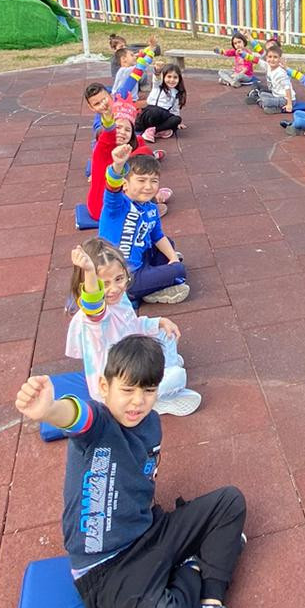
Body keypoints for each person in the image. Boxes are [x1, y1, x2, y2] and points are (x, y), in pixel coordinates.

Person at [15, 337, 248, 608]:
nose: (138, 402)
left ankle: (210, 605)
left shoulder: (150, 423)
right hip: (106, 570)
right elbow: (76, 416)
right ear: (104, 387)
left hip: (150, 533)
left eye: (148, 391)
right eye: (127, 390)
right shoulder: (98, 425)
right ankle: (194, 565)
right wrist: (50, 410)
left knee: (231, 502)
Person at [67, 238, 200, 415]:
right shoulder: (95, 318)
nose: (114, 288)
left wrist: (159, 321)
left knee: (165, 333)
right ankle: (152, 400)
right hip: (115, 387)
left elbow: (131, 325)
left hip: (132, 359)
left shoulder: (119, 298)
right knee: (177, 376)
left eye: (119, 278)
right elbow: (93, 304)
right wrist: (90, 271)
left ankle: (160, 377)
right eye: (104, 284)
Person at [100, 143, 190, 304]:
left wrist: (172, 258)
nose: (148, 187)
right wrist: (118, 165)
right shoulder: (117, 206)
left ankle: (154, 281)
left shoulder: (151, 209)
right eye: (141, 180)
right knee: (179, 271)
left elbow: (158, 236)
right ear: (125, 184)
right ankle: (149, 290)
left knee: (168, 244)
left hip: (141, 262)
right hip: (122, 278)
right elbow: (111, 189)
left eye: (154, 181)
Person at [80, 95, 168, 223]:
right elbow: (108, 136)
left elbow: (140, 144)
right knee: (140, 178)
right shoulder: (102, 149)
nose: (122, 132)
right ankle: (150, 205)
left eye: (127, 130)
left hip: (111, 203)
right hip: (103, 208)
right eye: (118, 127)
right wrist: (108, 118)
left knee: (142, 171)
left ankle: (153, 198)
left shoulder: (128, 148)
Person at [135, 61, 187, 138]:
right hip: (150, 114)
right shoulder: (158, 86)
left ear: (179, 79)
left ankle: (154, 130)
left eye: (175, 77)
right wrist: (158, 71)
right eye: (169, 77)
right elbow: (156, 79)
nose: (172, 80)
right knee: (156, 111)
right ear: (163, 77)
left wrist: (177, 123)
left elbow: (175, 110)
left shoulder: (176, 93)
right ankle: (159, 131)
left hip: (161, 117)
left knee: (177, 119)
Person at [245, 42, 295, 113]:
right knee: (262, 94)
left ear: (280, 59)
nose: (272, 59)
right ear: (266, 58)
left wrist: (289, 104)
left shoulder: (281, 72)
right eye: (270, 57)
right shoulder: (268, 66)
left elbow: (288, 88)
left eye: (275, 57)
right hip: (276, 95)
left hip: (286, 99)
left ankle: (262, 102)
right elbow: (257, 60)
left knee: (266, 101)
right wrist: (243, 54)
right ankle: (267, 107)